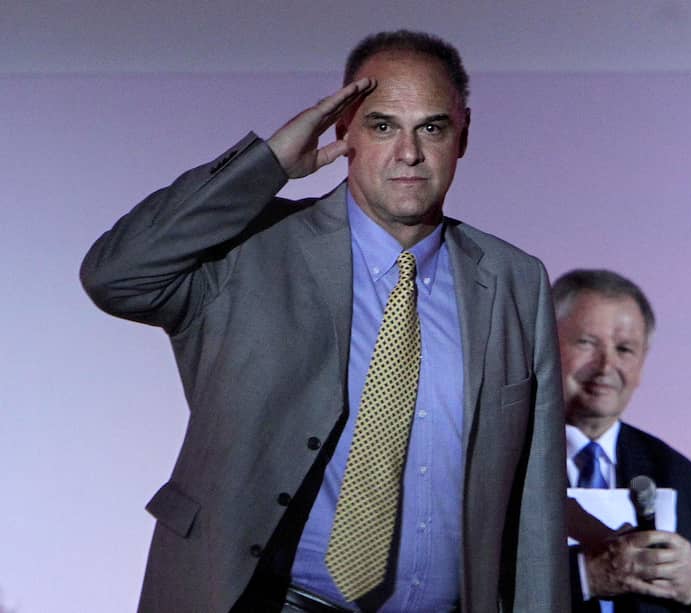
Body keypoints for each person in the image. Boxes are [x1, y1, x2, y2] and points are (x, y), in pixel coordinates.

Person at [81, 30, 568, 613]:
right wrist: (266, 165)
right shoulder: (250, 250)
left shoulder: (515, 279)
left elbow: (535, 504)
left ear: (464, 132)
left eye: (431, 128)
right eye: (383, 125)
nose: (408, 153)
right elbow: (116, 275)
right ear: (343, 130)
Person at [553, 269, 691, 612]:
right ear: (543, 345)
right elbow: (453, 589)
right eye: (587, 343)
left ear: (641, 366)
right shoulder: (490, 464)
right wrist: (584, 576)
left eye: (625, 349)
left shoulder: (685, 480)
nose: (606, 365)